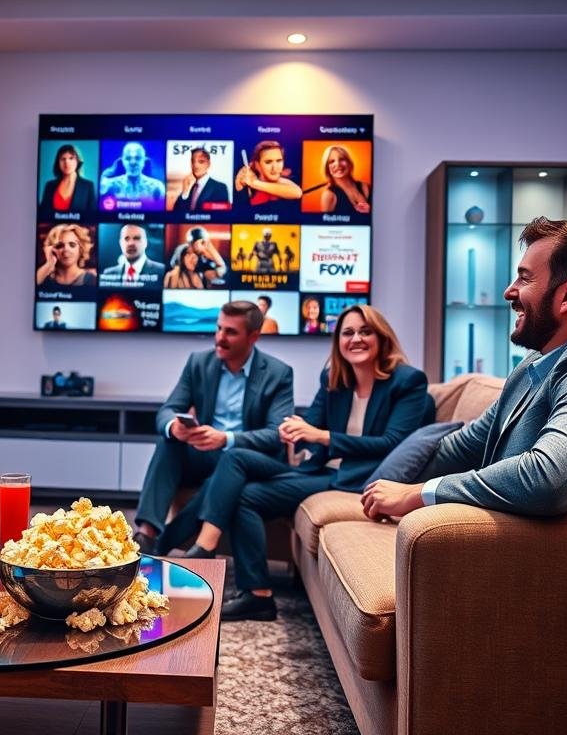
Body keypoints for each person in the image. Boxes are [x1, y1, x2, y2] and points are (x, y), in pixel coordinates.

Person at [361, 218, 567, 522]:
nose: (510, 291)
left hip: (555, 563)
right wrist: (383, 484)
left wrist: (422, 493)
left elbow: (548, 480)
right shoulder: (535, 364)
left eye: (524, 278)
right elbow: (466, 445)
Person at [168, 305, 432, 621]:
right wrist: (295, 430)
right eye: (347, 333)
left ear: (382, 338)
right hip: (317, 470)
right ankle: (257, 593)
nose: (356, 339)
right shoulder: (334, 378)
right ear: (339, 342)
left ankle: (194, 549)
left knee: (243, 489)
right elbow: (312, 427)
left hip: (356, 478)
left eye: (365, 331)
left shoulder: (408, 382)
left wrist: (321, 436)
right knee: (238, 464)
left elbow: (390, 443)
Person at [132, 301, 294, 555]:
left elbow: (276, 434)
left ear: (253, 336)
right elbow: (167, 410)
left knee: (232, 462)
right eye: (219, 328)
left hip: (248, 459)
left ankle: (164, 546)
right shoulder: (199, 363)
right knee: (168, 441)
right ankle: (146, 534)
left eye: (230, 332)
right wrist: (174, 426)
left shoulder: (278, 373)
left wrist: (226, 438)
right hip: (204, 454)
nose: (220, 337)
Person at [234, 140, 301, 208]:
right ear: (257, 165)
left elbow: (298, 193)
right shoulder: (245, 186)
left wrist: (254, 183)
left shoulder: (288, 183)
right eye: (268, 162)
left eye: (279, 161)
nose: (275, 168)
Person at [38, 144, 96, 216]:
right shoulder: (49, 186)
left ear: (77, 161)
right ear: (58, 162)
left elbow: (92, 218)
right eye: (63, 159)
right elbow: (42, 215)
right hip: (53, 227)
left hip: (78, 227)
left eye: (71, 158)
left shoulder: (88, 186)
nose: (67, 162)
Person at [99, 142, 165, 205]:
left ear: (144, 160)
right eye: (128, 158)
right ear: (122, 161)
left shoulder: (157, 186)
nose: (133, 163)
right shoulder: (109, 185)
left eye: (137, 158)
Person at [101, 224, 165, 286]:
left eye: (136, 238)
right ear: (120, 243)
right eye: (126, 238)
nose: (131, 243)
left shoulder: (162, 271)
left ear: (146, 243)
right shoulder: (108, 273)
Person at [172, 148, 230, 213]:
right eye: (193, 161)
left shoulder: (220, 187)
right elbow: (176, 214)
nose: (196, 165)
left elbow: (223, 215)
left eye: (201, 161)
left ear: (208, 164)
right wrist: (185, 192)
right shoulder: (189, 188)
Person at [319, 145, 371, 215]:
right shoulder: (328, 195)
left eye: (342, 159)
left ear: (349, 162)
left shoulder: (365, 186)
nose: (338, 164)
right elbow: (325, 225)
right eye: (331, 161)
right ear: (326, 168)